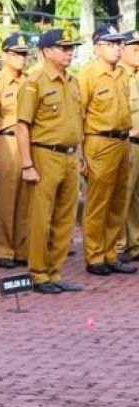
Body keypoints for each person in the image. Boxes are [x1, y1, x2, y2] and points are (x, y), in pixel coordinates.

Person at [16, 27, 85, 294]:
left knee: (64, 218)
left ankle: (55, 272)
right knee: (41, 217)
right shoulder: (34, 82)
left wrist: (80, 157)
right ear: (46, 51)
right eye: (64, 48)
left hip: (69, 156)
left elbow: (76, 122)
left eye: (71, 48)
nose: (70, 53)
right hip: (45, 154)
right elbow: (22, 126)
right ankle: (38, 273)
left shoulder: (72, 81)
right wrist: (27, 164)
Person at [78, 25, 135, 275]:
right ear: (97, 47)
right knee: (98, 203)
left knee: (118, 202)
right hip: (99, 142)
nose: (117, 48)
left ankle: (110, 253)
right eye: (111, 44)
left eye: (119, 43)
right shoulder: (88, 76)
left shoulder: (121, 74)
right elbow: (78, 116)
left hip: (122, 141)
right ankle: (94, 256)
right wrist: (81, 155)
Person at [0, 33, 32, 269]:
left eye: (24, 54)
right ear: (5, 55)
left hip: (28, 143)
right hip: (6, 141)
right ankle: (4, 250)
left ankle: (23, 248)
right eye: (16, 54)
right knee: (5, 198)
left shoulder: (30, 81)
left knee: (26, 198)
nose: (22, 59)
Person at [122, 30, 139, 261]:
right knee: (122, 196)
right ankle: (118, 246)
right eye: (134, 49)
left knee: (136, 199)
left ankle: (135, 244)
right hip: (126, 143)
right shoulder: (118, 77)